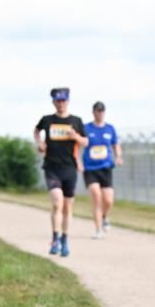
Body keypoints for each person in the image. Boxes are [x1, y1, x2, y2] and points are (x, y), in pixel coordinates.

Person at [34, 88, 88, 257]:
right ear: (53, 102)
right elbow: (36, 131)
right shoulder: (47, 120)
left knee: (67, 206)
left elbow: (85, 142)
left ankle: (65, 239)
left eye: (64, 100)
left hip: (70, 168)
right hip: (52, 167)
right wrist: (40, 143)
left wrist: (75, 137)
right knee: (57, 201)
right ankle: (55, 238)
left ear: (68, 101)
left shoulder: (76, 121)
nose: (61, 103)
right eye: (58, 101)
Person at [83, 101, 122, 238]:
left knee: (108, 200)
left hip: (105, 168)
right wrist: (78, 162)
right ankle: (98, 229)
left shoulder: (110, 129)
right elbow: (78, 143)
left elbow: (115, 144)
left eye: (102, 111)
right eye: (98, 111)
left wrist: (118, 156)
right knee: (96, 196)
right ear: (93, 112)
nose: (100, 113)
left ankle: (104, 216)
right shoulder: (86, 128)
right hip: (90, 168)